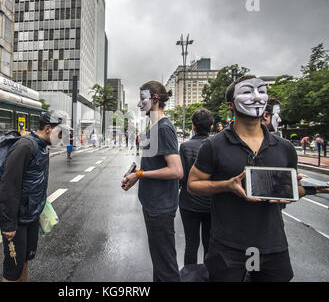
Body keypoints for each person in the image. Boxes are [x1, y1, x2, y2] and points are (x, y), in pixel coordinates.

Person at [187, 75, 306, 282]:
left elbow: (296, 189)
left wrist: (295, 190)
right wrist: (227, 185)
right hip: (228, 246)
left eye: (261, 91)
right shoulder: (214, 146)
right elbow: (193, 184)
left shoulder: (285, 148)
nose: (257, 97)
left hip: (273, 244)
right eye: (247, 92)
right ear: (230, 105)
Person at [121, 81, 184, 282]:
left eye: (143, 99)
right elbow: (157, 165)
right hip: (154, 204)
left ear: (155, 99)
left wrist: (139, 175)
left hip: (160, 207)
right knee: (160, 261)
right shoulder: (155, 126)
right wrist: (137, 173)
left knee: (165, 265)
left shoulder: (163, 128)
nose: (140, 105)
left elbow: (176, 170)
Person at [0, 110, 65, 282]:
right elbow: (8, 186)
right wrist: (9, 223)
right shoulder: (25, 146)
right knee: (12, 270)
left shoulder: (42, 147)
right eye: (61, 132)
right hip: (17, 219)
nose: (62, 137)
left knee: (24, 261)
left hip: (31, 216)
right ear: (48, 128)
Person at [179, 108, 213, 265]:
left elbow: (182, 177)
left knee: (191, 245)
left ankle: (189, 276)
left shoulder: (185, 147)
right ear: (211, 126)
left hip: (189, 203)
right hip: (211, 205)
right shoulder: (216, 146)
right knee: (209, 246)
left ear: (193, 126)